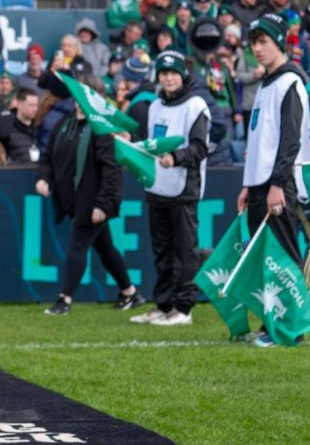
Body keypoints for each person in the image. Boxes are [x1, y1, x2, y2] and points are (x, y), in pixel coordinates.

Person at [37, 74, 146, 316]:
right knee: (106, 249)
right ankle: (130, 293)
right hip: (72, 201)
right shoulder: (62, 124)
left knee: (77, 247)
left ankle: (64, 300)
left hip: (92, 203)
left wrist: (103, 205)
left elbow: (112, 171)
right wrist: (44, 178)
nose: (80, 101)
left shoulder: (102, 130)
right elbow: (47, 157)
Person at [238, 13, 310, 348]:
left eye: (263, 41)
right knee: (267, 261)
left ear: (279, 42)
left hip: (278, 184)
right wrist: (247, 183)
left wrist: (276, 184)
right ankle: (273, 323)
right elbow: (259, 141)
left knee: (284, 257)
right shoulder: (267, 83)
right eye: (254, 42)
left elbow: (290, 140)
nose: (257, 48)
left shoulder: (289, 83)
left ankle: (291, 328)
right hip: (260, 184)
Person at [132, 51, 209, 327]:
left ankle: (183, 308)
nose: (168, 78)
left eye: (173, 73)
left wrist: (175, 158)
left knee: (184, 251)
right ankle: (163, 305)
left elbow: (200, 148)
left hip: (183, 189)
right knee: (162, 251)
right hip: (157, 187)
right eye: (163, 73)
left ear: (183, 74)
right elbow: (151, 143)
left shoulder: (196, 106)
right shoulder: (155, 106)